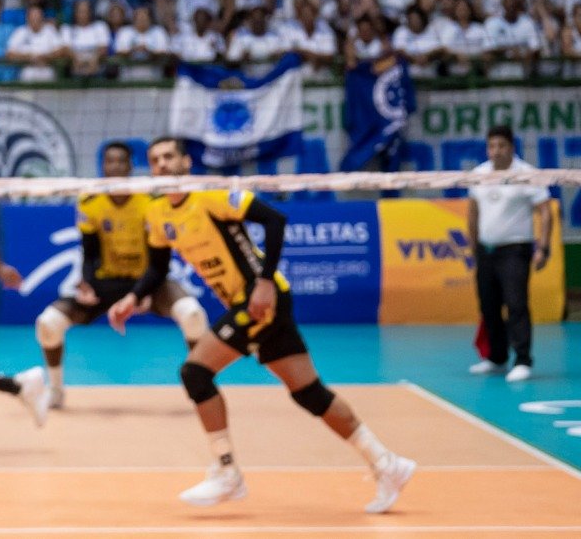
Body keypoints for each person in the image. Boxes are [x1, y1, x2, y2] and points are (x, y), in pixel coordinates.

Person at [110, 137, 415, 514]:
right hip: (253, 305)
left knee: (195, 373)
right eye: (155, 159)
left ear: (186, 162)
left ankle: (227, 472)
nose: (162, 164)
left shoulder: (211, 195)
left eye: (169, 156)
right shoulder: (157, 213)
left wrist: (265, 282)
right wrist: (132, 298)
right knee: (309, 393)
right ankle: (387, 463)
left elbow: (275, 219)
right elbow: (157, 268)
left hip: (260, 302)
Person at [30, 142, 207, 411]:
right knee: (48, 323)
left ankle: (202, 388)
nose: (115, 166)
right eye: (109, 161)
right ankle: (55, 391)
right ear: (103, 166)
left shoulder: (151, 201)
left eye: (120, 161)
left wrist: (140, 295)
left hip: (149, 282)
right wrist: (87, 285)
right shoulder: (90, 201)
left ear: (130, 166)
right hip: (106, 283)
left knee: (192, 314)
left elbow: (159, 264)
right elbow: (90, 254)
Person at [468, 124, 553, 384]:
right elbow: (473, 211)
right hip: (486, 250)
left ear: (511, 147)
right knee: (488, 305)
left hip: (515, 250)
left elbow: (545, 211)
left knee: (516, 304)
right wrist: (473, 246)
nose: (496, 151)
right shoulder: (479, 174)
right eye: (492, 146)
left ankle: (523, 360)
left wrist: (543, 247)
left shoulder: (527, 174)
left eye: (501, 146)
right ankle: (497, 357)